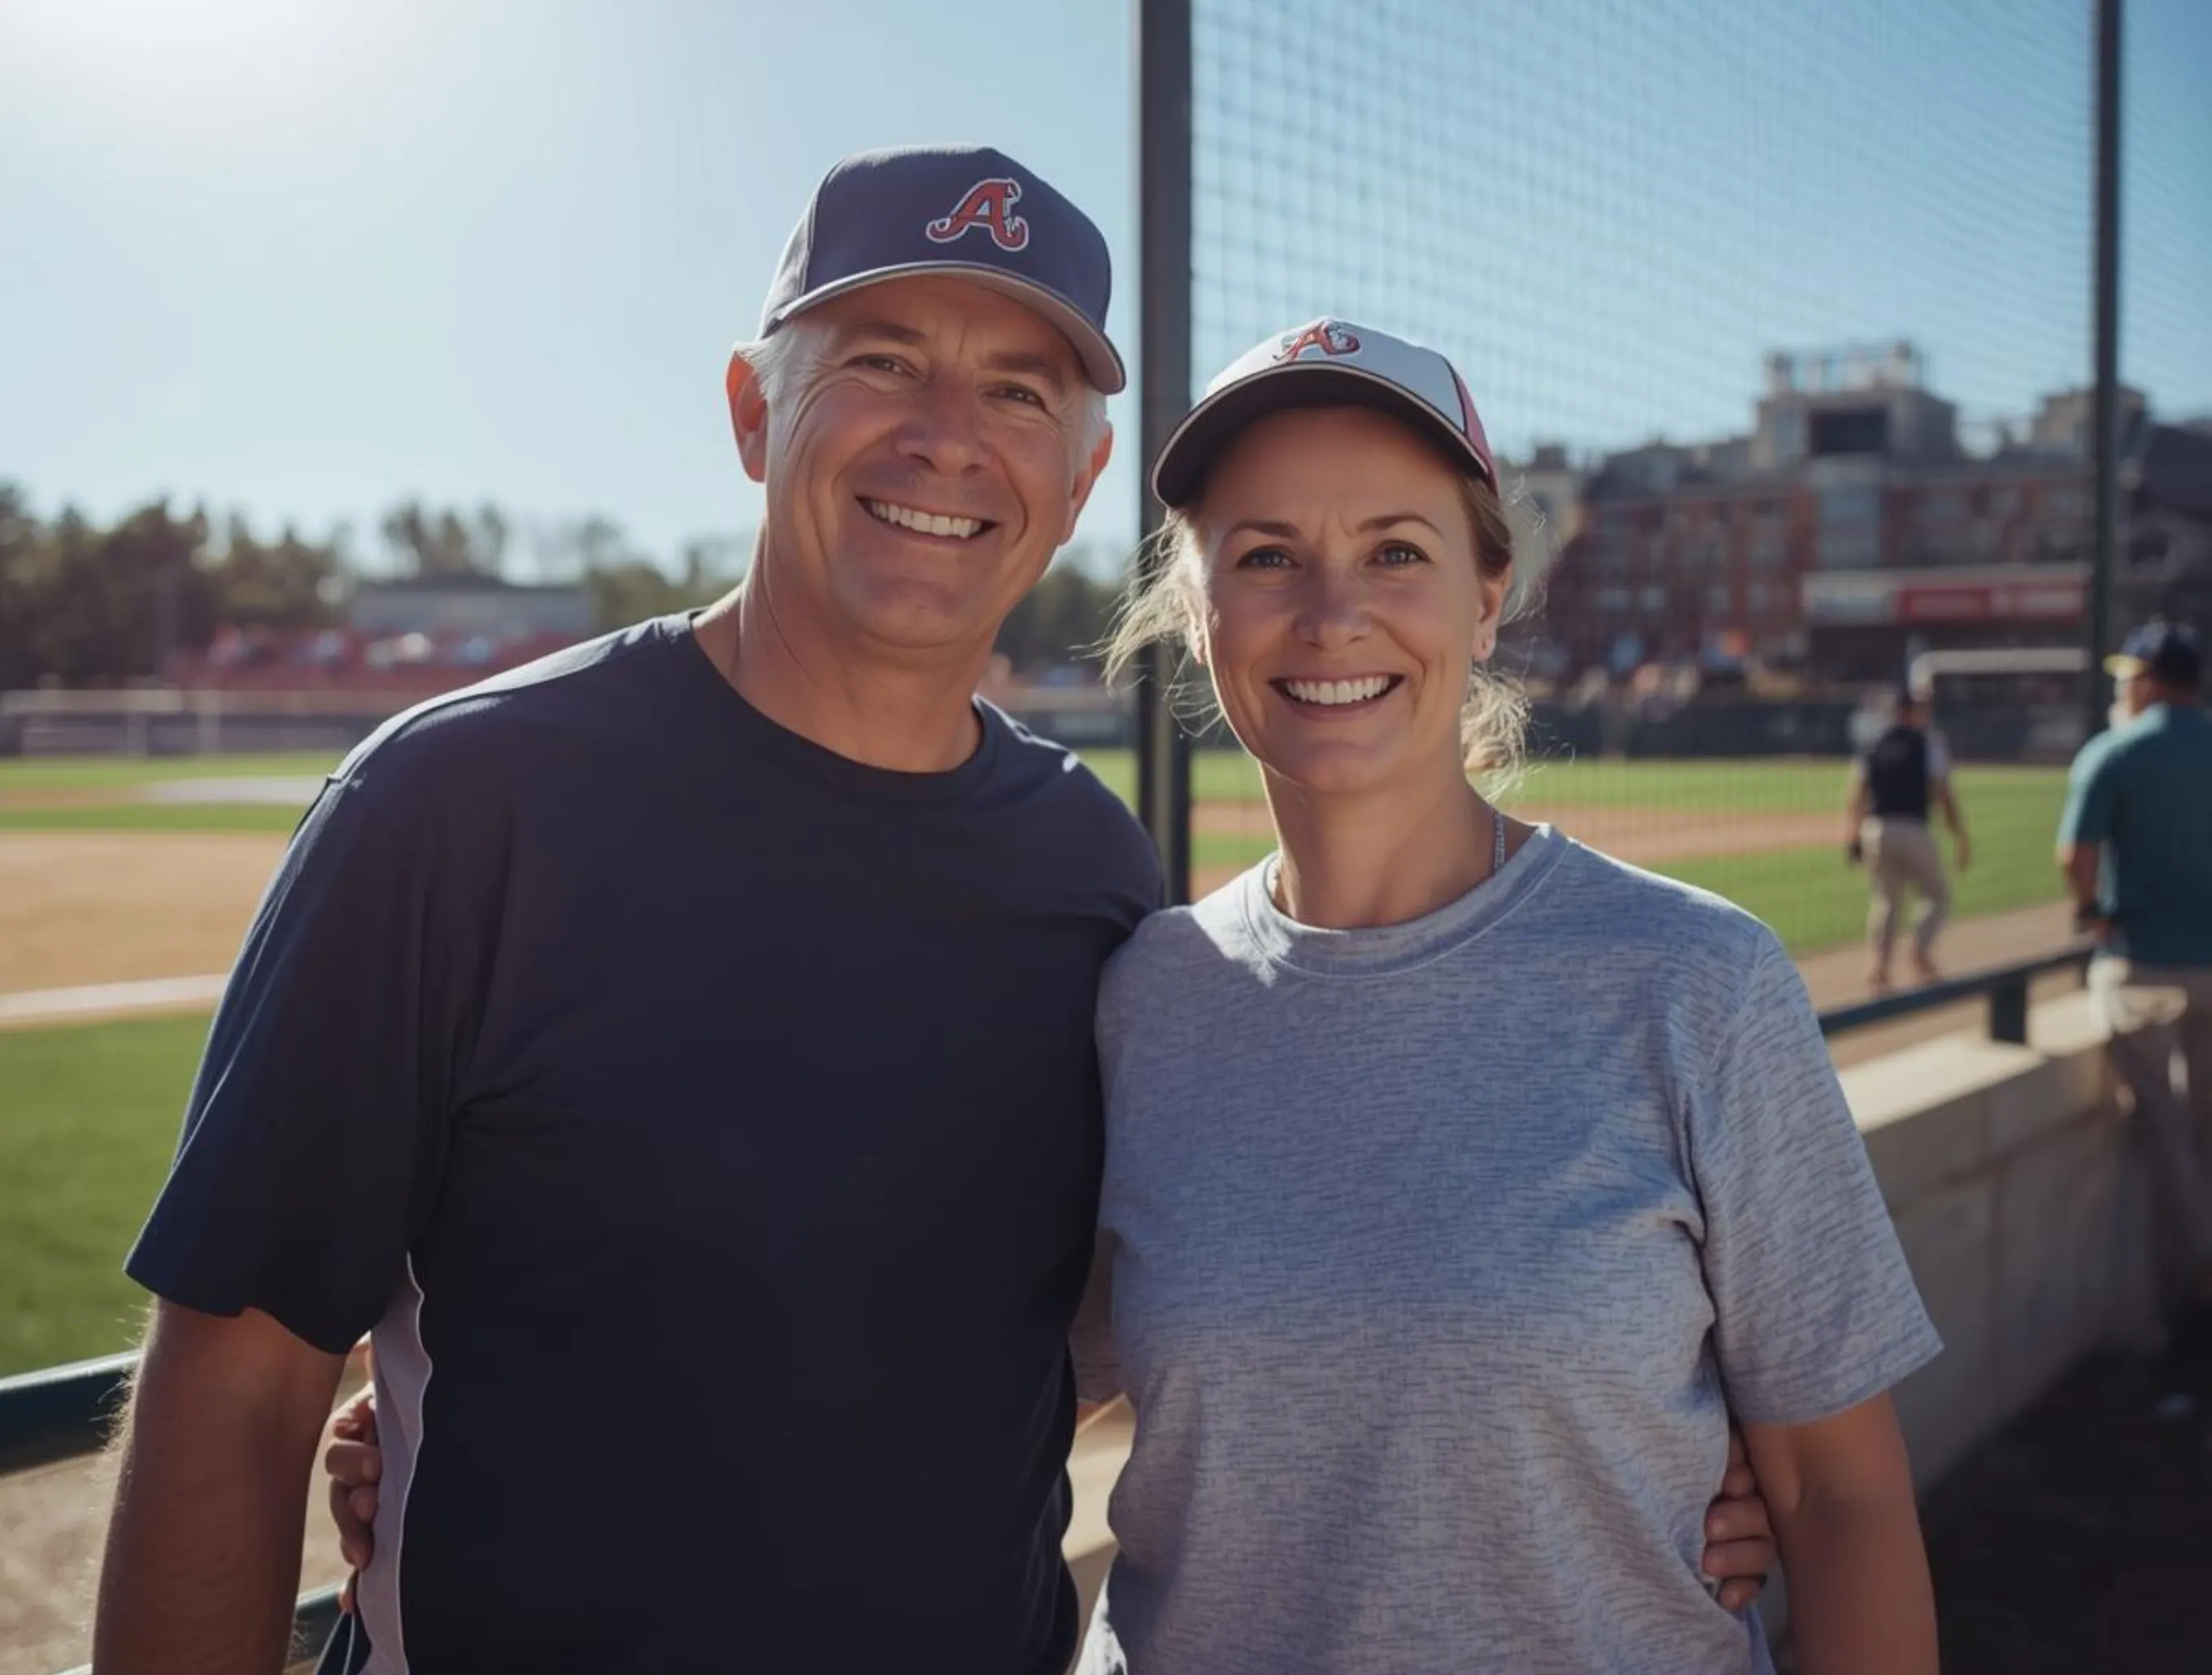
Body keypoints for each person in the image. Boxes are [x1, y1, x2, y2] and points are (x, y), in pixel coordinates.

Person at [98, 152, 1777, 1675]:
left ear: (1080, 475)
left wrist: (1628, 1455)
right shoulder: (454, 807)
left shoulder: (1090, 873)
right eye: (883, 363)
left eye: (1018, 390)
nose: (947, 437)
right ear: (753, 410)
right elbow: (230, 1391)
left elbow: (1105, 1323)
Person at [1068, 320, 1941, 1673]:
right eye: (1267, 556)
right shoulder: (1142, 999)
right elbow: (998, 1401)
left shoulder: (1695, 983)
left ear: (1488, 599)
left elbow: (1842, 1502)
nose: (1332, 612)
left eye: (1396, 552)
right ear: (1198, 609)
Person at [2057, 620, 2212, 1348]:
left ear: (2147, 682)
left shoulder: (2116, 749)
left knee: (2167, 1135)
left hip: (2144, 964)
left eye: (2127, 677)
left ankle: (2196, 1283)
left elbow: (2075, 855)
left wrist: (2092, 914)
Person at [1846, 685, 1970, 993]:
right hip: (1913, 827)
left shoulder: (1874, 743)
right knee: (1937, 895)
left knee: (1886, 901)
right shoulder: (1928, 741)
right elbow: (1943, 794)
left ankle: (1878, 969)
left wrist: (1853, 837)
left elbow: (1856, 794)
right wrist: (1959, 837)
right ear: (1913, 711)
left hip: (1876, 829)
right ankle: (1920, 949)